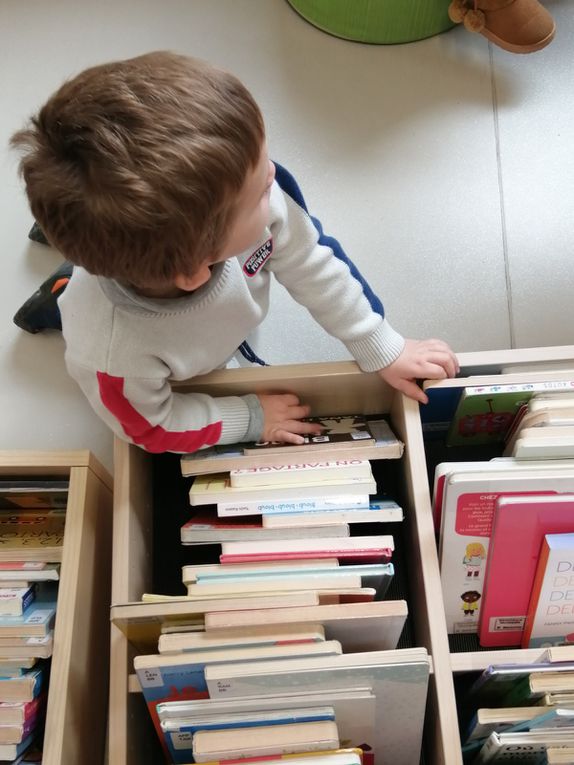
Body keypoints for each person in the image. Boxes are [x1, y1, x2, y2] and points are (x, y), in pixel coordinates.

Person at [11, 51, 458, 454]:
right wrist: (250, 418)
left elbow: (314, 261)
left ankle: (74, 239)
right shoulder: (113, 357)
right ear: (195, 269)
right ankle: (60, 290)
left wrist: (380, 345)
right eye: (258, 193)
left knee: (117, 243)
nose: (273, 175)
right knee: (82, 291)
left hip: (159, 260)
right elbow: (151, 427)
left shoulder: (259, 190)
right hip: (115, 315)